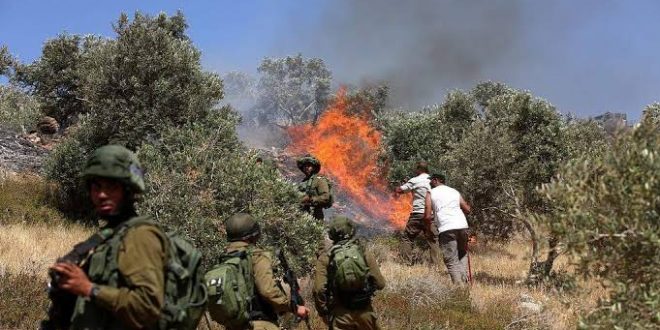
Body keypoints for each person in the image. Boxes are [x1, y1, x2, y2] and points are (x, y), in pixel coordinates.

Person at [46, 145, 168, 329]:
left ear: (129, 190)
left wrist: (89, 288)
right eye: (96, 186)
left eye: (112, 187)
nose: (101, 195)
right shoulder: (107, 237)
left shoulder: (141, 236)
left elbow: (148, 307)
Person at [223, 213, 309, 330]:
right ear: (253, 233)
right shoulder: (256, 256)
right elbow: (267, 290)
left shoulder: (224, 259)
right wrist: (294, 307)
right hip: (259, 323)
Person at [313, 216, 386, 330]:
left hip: (340, 315)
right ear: (351, 230)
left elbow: (319, 290)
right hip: (365, 313)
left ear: (332, 234)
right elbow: (380, 284)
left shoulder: (325, 258)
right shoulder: (363, 251)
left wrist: (323, 312)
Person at [424, 172, 472, 284]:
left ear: (436, 180)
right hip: (462, 226)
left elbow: (427, 215)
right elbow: (467, 209)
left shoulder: (430, 192)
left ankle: (459, 287)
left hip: (446, 228)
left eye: (431, 180)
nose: (430, 183)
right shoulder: (454, 191)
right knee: (462, 253)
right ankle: (464, 282)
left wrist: (428, 230)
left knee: (451, 259)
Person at [395, 161, 441, 265]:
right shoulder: (434, 181)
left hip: (417, 214)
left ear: (419, 169)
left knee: (407, 238)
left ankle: (406, 263)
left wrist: (400, 186)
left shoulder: (415, 180)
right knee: (433, 240)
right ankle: (435, 265)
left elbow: (400, 190)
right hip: (431, 215)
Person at [297, 155, 332, 220]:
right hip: (301, 215)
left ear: (314, 168)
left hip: (314, 217)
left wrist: (310, 199)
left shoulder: (319, 179)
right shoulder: (304, 182)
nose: (306, 167)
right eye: (304, 166)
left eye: (309, 166)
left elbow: (325, 197)